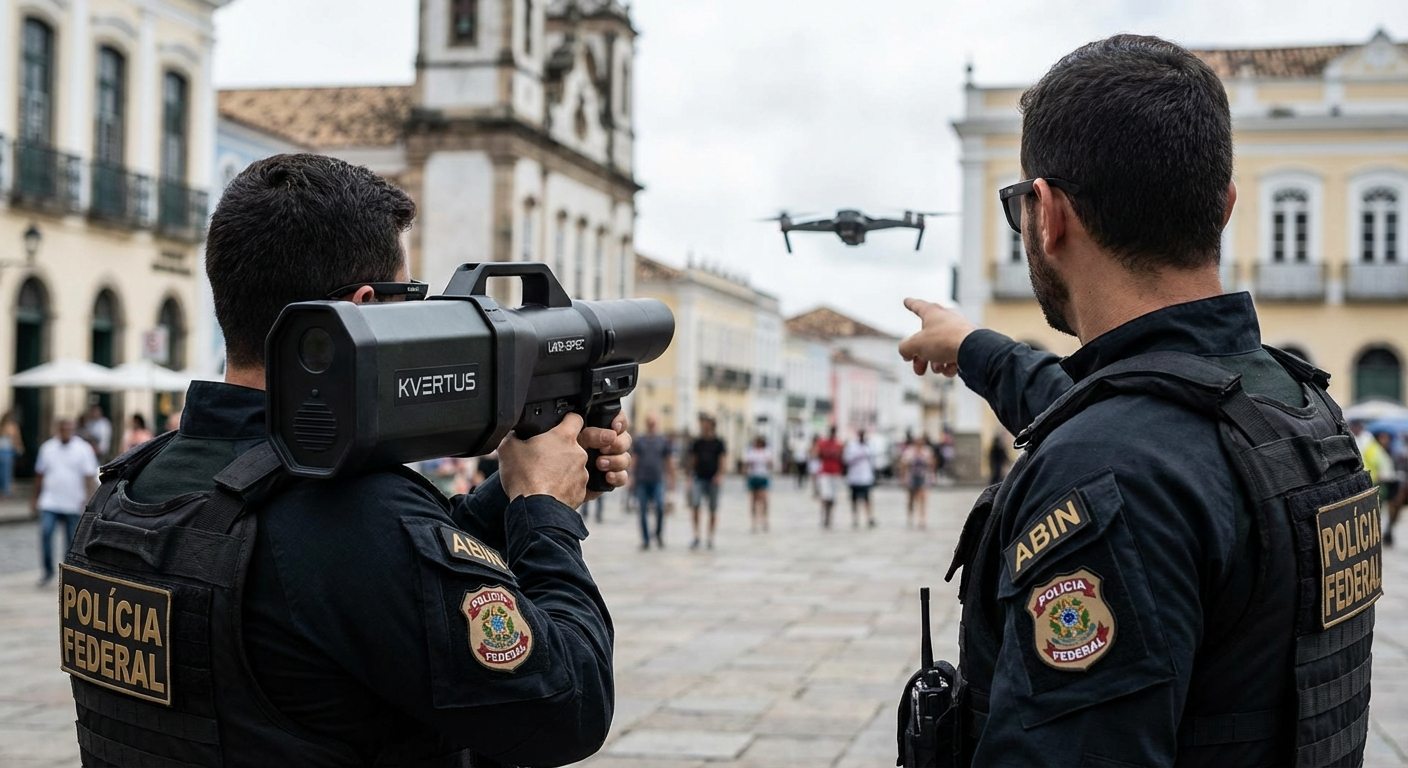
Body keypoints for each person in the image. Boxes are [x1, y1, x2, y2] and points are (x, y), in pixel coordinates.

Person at [59, 154, 634, 766]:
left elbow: (384, 582)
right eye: (410, 298)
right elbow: (566, 708)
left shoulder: (128, 491)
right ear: (361, 307)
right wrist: (546, 513)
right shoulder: (354, 514)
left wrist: (520, 488)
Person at [898, 36, 1376, 766]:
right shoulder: (1292, 409)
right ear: (1225, 206)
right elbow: (1117, 415)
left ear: (1047, 213)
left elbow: (1119, 450)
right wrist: (972, 346)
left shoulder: (1109, 471)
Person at [33, 417, 98, 586]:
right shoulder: (47, 448)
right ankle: (47, 571)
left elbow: (89, 477)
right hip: (50, 501)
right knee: (46, 533)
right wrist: (34, 498)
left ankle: (68, 573)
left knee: (71, 542)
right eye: (63, 428)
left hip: (73, 502)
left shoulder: (83, 449)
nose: (66, 431)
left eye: (69, 428)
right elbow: (39, 475)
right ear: (57, 429)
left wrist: (90, 502)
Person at [631, 415, 674, 549]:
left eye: (653, 422)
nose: (651, 424)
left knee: (660, 507)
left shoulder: (663, 441)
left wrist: (672, 477)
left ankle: (658, 533)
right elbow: (635, 459)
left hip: (658, 480)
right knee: (642, 510)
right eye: (649, 422)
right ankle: (645, 539)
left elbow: (668, 461)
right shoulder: (640, 441)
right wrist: (631, 477)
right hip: (642, 480)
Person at [687, 415, 726, 549]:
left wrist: (719, 475)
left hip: (713, 479)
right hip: (699, 477)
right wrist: (690, 476)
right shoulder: (698, 442)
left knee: (712, 509)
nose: (703, 427)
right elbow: (693, 460)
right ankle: (697, 535)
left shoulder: (719, 443)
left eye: (705, 424)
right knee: (696, 505)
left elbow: (722, 460)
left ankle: (710, 536)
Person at [843, 429, 877, 529]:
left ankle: (869, 518)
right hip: (854, 477)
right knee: (854, 499)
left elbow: (872, 461)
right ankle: (855, 518)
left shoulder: (869, 446)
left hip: (866, 477)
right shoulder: (852, 446)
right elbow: (846, 459)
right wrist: (858, 456)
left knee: (867, 499)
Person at [900, 433, 933, 529]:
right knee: (911, 499)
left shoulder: (927, 451)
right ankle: (910, 517)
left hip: (922, 477)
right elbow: (903, 464)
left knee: (922, 498)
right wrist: (903, 477)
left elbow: (931, 463)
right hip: (911, 477)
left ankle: (921, 519)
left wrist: (931, 475)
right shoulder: (909, 452)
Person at [813, 427, 843, 528]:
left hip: (835, 472)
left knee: (833, 497)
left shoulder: (838, 444)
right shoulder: (823, 443)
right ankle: (824, 517)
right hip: (825, 472)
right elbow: (816, 455)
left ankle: (830, 517)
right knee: (825, 496)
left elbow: (841, 457)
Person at [744, 436, 773, 533]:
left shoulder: (767, 452)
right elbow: (747, 464)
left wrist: (767, 462)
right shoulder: (751, 452)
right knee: (753, 500)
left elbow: (770, 464)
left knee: (763, 499)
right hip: (753, 476)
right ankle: (754, 521)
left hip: (763, 476)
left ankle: (764, 519)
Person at [0, 410, 23, 497]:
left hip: (6, 450)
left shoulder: (6, 426)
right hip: (5, 451)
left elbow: (16, 439)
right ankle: (5, 490)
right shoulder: (11, 427)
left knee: (5, 471)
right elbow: (16, 439)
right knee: (6, 471)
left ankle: (5, 490)